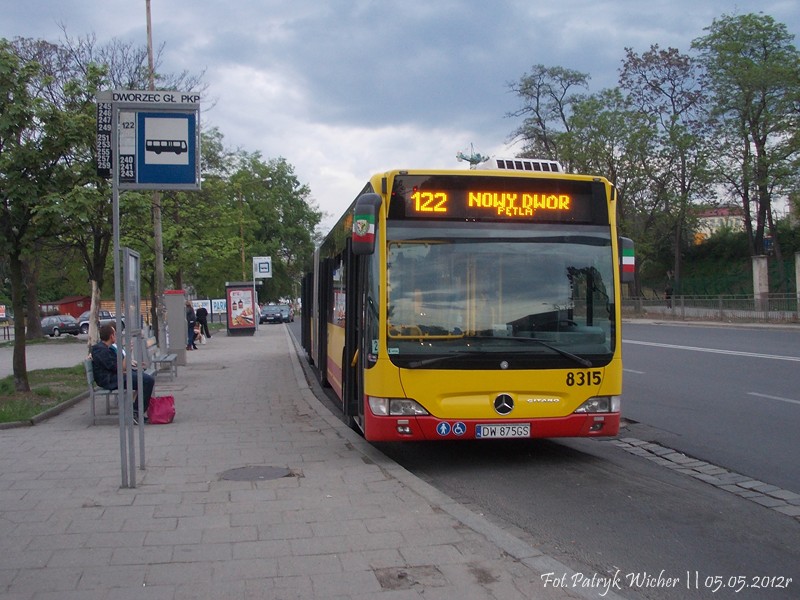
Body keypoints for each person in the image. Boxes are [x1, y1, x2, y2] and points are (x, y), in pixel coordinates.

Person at [91, 324, 154, 424]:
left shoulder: (105, 348)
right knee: (147, 381)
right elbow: (120, 367)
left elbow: (118, 367)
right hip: (109, 380)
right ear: (111, 336)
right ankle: (135, 412)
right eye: (115, 334)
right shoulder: (101, 350)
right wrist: (128, 352)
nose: (116, 336)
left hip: (114, 376)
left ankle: (135, 411)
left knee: (144, 378)